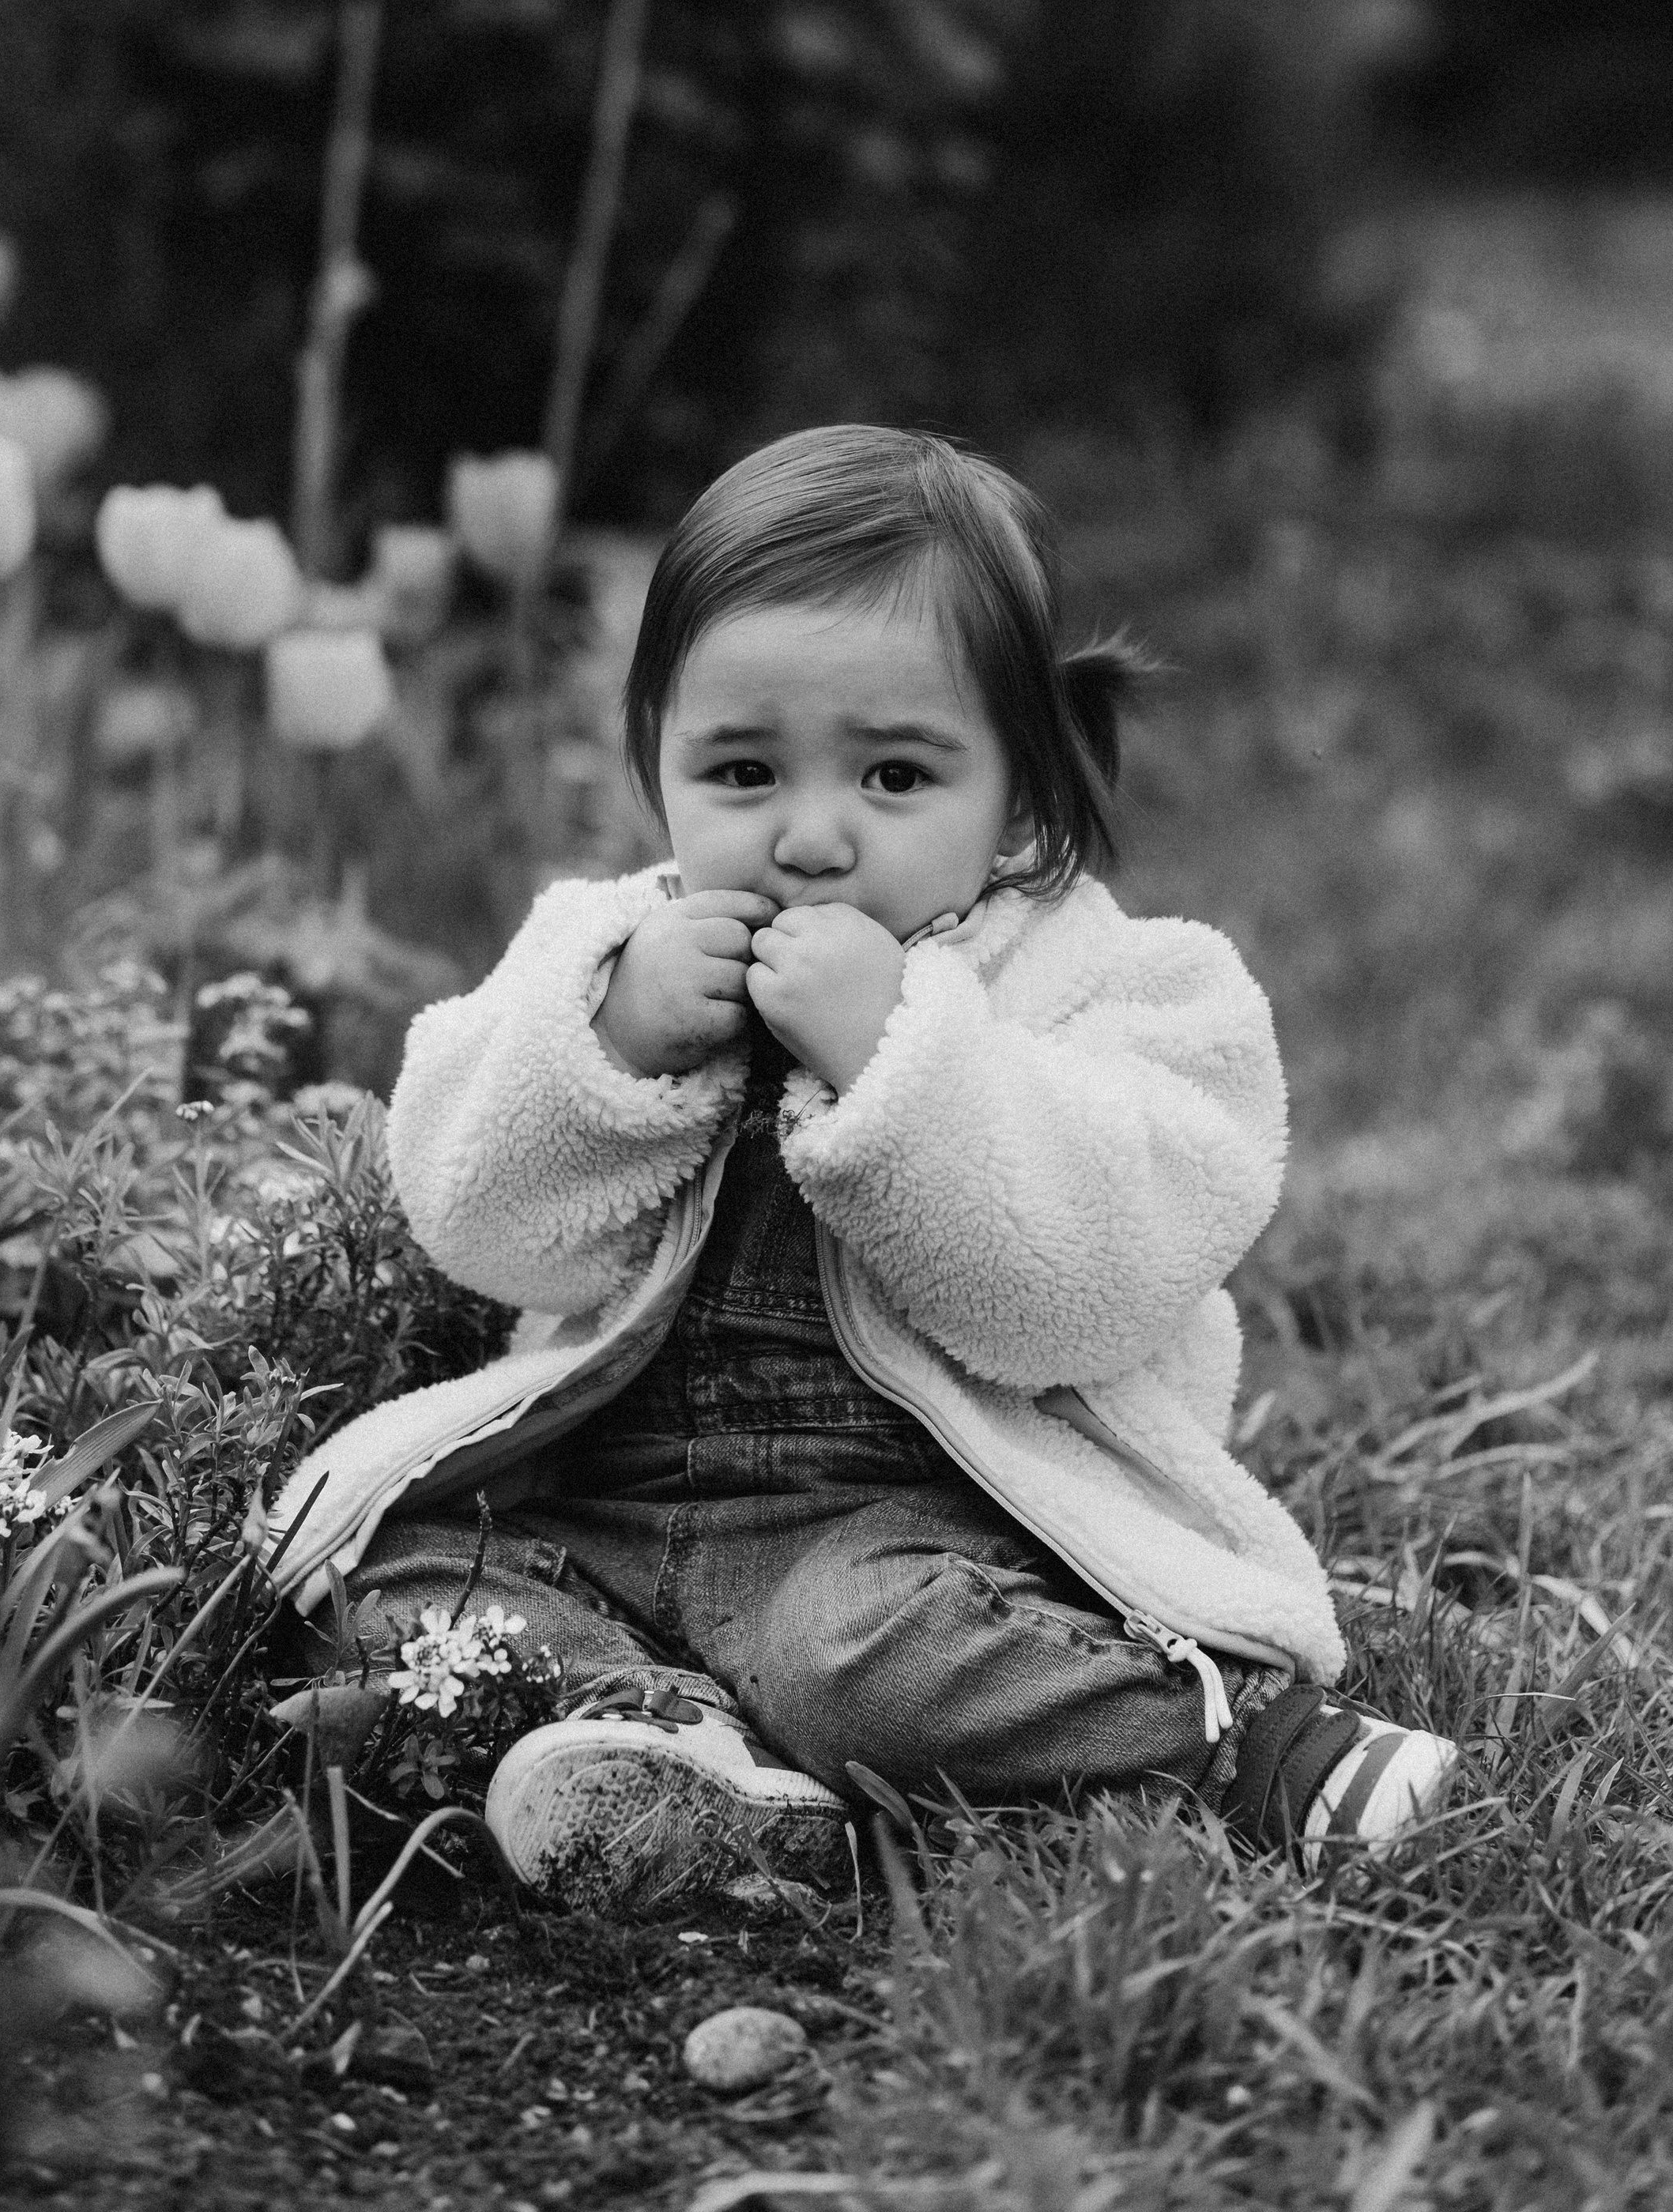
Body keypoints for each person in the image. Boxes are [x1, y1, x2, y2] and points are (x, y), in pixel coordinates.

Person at [258, 425, 1459, 1909]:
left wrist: (901, 1064)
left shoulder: (1123, 991)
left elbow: (1081, 1290)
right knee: (393, 1576)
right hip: (607, 1508)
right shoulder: (608, 956)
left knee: (863, 1667)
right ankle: (675, 1752)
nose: (810, 837)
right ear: (659, 772)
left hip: (928, 1532)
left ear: (1019, 799)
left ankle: (1241, 1749)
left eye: (895, 775)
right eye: (744, 769)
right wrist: (612, 1046)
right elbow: (472, 1213)